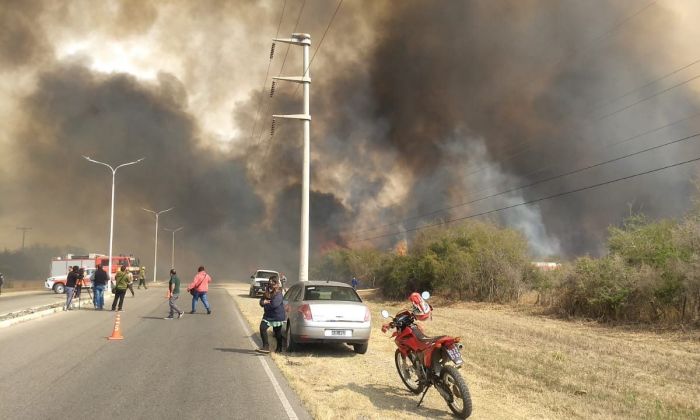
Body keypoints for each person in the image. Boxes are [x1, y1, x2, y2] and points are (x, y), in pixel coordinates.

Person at [256, 275, 285, 354]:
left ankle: (279, 348)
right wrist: (263, 302)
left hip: (277, 316)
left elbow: (274, 305)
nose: (270, 284)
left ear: (276, 284)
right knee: (262, 328)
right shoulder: (267, 291)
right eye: (270, 282)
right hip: (268, 315)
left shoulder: (279, 293)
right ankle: (266, 347)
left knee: (277, 333)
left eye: (273, 282)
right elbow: (261, 301)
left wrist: (266, 303)